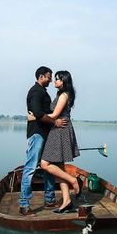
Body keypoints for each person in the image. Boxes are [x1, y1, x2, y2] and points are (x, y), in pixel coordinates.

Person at [29, 70, 80, 214]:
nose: (54, 82)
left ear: (63, 81)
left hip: (60, 130)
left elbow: (55, 114)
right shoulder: (59, 94)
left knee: (45, 164)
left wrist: (34, 117)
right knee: (59, 167)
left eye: (57, 79)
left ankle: (73, 180)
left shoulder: (64, 95)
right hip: (57, 129)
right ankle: (66, 201)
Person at [19, 66, 67, 216]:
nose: (50, 80)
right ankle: (24, 204)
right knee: (31, 167)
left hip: (45, 134)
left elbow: (41, 113)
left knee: (48, 166)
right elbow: (38, 113)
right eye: (48, 76)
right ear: (41, 77)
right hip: (37, 133)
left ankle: (49, 198)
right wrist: (55, 122)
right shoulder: (35, 91)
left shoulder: (42, 92)